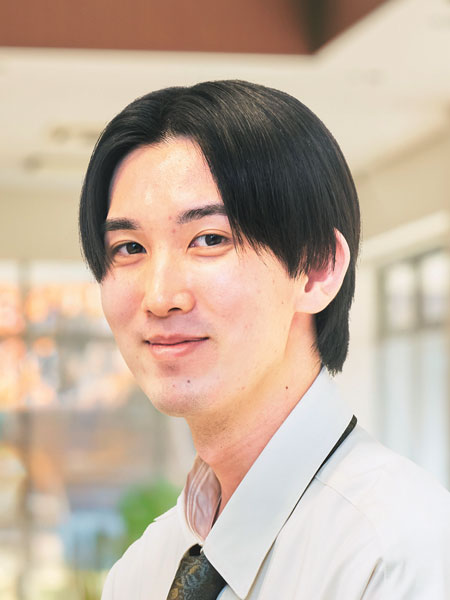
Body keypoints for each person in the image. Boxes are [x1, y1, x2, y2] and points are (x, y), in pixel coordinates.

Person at [79, 80, 450, 599]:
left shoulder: (399, 553)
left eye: (209, 239)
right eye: (129, 247)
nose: (159, 297)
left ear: (317, 269)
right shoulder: (143, 572)